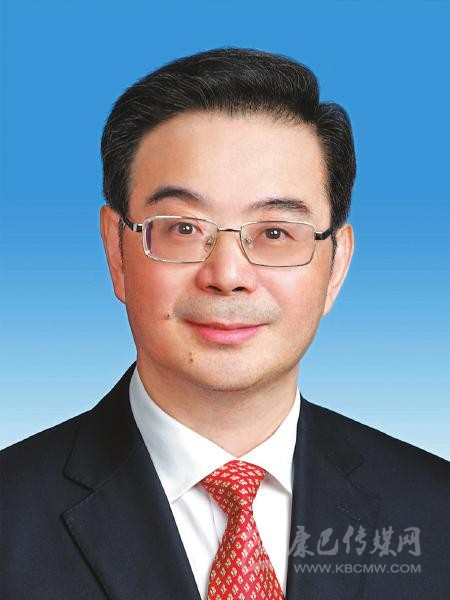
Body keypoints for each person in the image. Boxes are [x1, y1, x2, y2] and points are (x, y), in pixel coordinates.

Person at [1, 47, 448, 600]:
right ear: (117, 252)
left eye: (276, 233)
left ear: (336, 266)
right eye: (184, 229)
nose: (228, 276)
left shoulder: (437, 511)